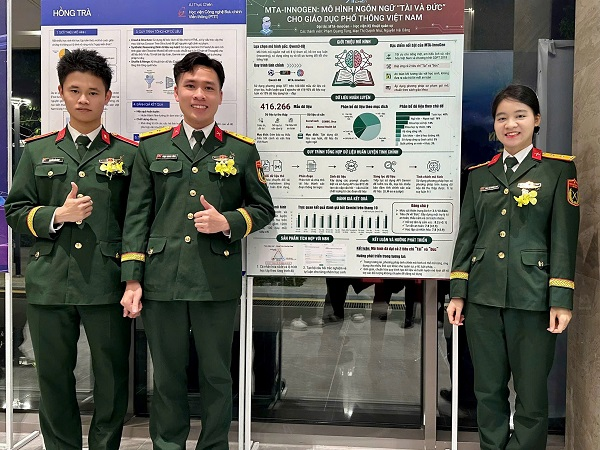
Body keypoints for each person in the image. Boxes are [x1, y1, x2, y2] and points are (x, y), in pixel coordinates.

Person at [119, 52, 275, 450]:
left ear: (220, 95)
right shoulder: (151, 148)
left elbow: (263, 209)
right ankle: (167, 445)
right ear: (176, 92)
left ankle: (214, 445)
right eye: (190, 86)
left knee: (216, 375)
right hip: (162, 280)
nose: (199, 95)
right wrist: (133, 279)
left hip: (214, 281)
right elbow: (136, 217)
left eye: (208, 87)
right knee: (167, 376)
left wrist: (228, 222)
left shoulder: (241, 150)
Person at [4, 49, 137, 450]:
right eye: (75, 90)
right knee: (53, 377)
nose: (83, 99)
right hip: (51, 281)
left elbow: (137, 221)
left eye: (93, 92)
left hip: (105, 282)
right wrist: (56, 215)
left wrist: (132, 279)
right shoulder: (36, 150)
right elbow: (15, 210)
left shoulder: (128, 154)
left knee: (112, 378)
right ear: (61, 92)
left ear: (107, 97)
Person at [447, 84, 579, 449]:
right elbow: (467, 237)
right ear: (494, 125)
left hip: (533, 298)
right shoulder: (479, 175)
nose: (510, 124)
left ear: (536, 120)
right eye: (502, 117)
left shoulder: (557, 170)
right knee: (487, 391)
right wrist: (458, 292)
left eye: (520, 115)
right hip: (483, 299)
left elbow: (564, 238)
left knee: (531, 395)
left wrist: (561, 299)